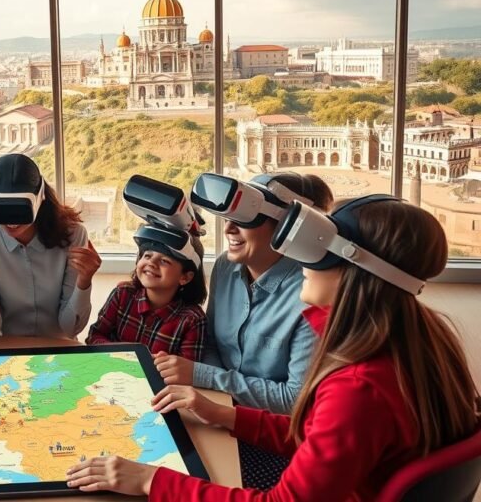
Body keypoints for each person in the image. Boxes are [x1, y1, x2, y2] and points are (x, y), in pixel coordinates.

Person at [67, 196, 480, 501]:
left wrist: (149, 480)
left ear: (354, 267)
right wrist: (225, 415)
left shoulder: (361, 384)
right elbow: (323, 437)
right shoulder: (419, 340)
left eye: (316, 254)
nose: (300, 264)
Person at [153, 172, 332, 488]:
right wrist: (213, 398)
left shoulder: (312, 295)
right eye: (229, 218)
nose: (229, 229)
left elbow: (295, 400)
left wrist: (204, 377)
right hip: (218, 414)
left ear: (290, 230)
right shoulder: (226, 265)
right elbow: (211, 344)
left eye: (246, 220)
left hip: (276, 442)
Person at [0, 154, 102, 341]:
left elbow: (71, 328)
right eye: (2, 207)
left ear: (39, 197)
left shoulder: (73, 235)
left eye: (19, 207)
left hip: (58, 346)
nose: (10, 220)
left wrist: (84, 282)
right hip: (10, 347)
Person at [86, 225, 207, 361]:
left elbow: (186, 370)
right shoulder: (122, 294)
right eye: (147, 255)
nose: (152, 263)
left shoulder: (193, 320)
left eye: (164, 261)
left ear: (185, 277)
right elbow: (94, 336)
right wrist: (127, 354)